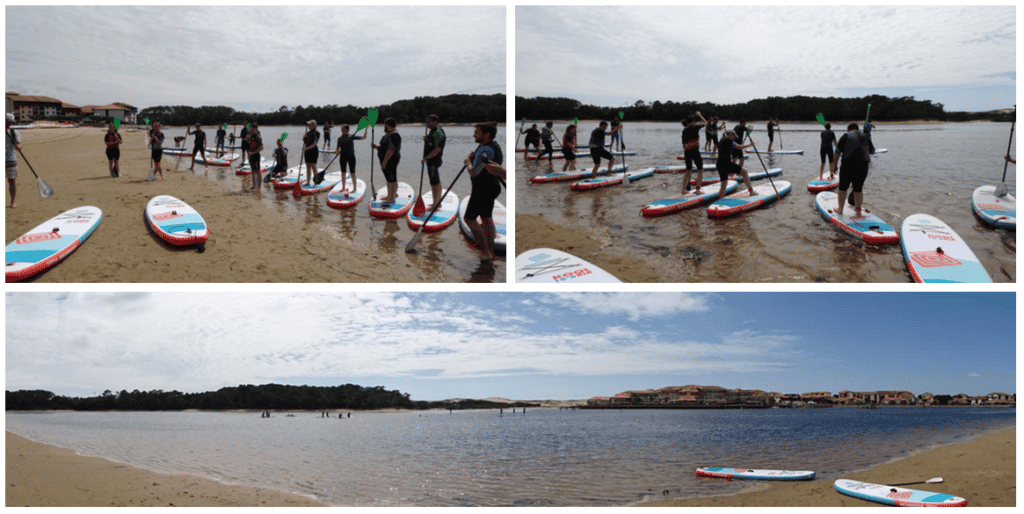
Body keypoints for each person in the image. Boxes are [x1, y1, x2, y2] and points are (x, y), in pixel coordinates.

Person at [463, 122, 504, 261]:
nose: (474, 134)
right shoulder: (492, 146)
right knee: (486, 218)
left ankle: (485, 252)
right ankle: (490, 251)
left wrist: (468, 161)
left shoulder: (486, 149)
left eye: (477, 132)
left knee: (469, 218)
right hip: (491, 187)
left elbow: (473, 172)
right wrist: (475, 157)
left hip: (483, 189)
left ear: (486, 135)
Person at [831, 123, 872, 217]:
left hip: (847, 166)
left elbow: (837, 152)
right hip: (863, 166)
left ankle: (840, 210)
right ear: (857, 128)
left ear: (849, 129)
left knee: (842, 188)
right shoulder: (866, 136)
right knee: (858, 189)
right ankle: (858, 211)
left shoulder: (845, 136)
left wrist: (834, 166)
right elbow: (872, 151)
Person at [715, 129, 756, 199]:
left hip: (719, 163)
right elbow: (739, 147)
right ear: (730, 134)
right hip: (726, 163)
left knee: (724, 184)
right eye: (734, 136)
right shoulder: (728, 140)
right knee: (744, 172)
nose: (735, 138)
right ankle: (751, 191)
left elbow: (733, 148)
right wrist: (750, 144)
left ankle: (721, 199)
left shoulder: (722, 140)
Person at [371, 117, 402, 203]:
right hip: (387, 160)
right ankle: (389, 196)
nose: (384, 126)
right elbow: (384, 148)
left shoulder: (394, 135)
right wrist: (376, 147)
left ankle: (392, 199)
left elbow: (391, 150)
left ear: (388, 125)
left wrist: (385, 161)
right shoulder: (389, 134)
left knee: (392, 179)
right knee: (388, 179)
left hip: (390, 160)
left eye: (385, 124)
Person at [421, 114, 446, 209]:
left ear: (435, 121)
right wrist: (426, 139)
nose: (427, 124)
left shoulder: (439, 132)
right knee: (436, 181)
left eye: (429, 121)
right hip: (432, 160)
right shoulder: (433, 131)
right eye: (426, 121)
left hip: (433, 160)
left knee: (434, 183)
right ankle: (438, 202)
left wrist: (426, 158)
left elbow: (438, 149)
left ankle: (435, 204)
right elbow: (432, 143)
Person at [680, 112, 708, 195]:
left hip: (687, 152)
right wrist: (700, 115)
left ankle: (683, 190)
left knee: (688, 171)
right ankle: (698, 189)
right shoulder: (696, 126)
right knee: (700, 170)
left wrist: (689, 146)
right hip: (695, 151)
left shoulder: (684, 130)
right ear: (693, 121)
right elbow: (706, 123)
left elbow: (684, 146)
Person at [336, 123, 366, 191]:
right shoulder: (339, 138)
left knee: (352, 173)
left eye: (343, 129)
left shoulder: (352, 136)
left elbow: (364, 137)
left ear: (347, 130)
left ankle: (354, 188)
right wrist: (337, 152)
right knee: (343, 173)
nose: (342, 130)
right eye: (341, 129)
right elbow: (337, 148)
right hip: (343, 157)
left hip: (351, 157)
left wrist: (366, 129)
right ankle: (343, 188)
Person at [6, 113, 22, 208]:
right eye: (7, 122)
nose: (9, 124)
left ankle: (12, 201)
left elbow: (19, 143)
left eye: (10, 122)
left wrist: (19, 146)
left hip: (11, 159)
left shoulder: (13, 132)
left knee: (12, 182)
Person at [302, 120, 320, 185]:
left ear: (314, 125)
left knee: (313, 166)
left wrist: (306, 148)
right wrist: (304, 138)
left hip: (313, 151)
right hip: (307, 152)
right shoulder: (308, 133)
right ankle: (308, 182)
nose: (308, 125)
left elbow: (315, 143)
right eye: (308, 124)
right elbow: (305, 142)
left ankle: (316, 182)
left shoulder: (316, 132)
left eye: (310, 124)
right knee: (308, 167)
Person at [247, 122, 264, 189]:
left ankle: (259, 186)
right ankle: (253, 185)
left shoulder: (258, 136)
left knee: (257, 171)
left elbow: (262, 147)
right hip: (251, 156)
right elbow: (249, 148)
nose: (250, 129)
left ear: (255, 128)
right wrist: (248, 157)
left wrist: (254, 153)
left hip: (256, 155)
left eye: (251, 128)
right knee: (253, 171)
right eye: (250, 128)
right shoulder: (250, 136)